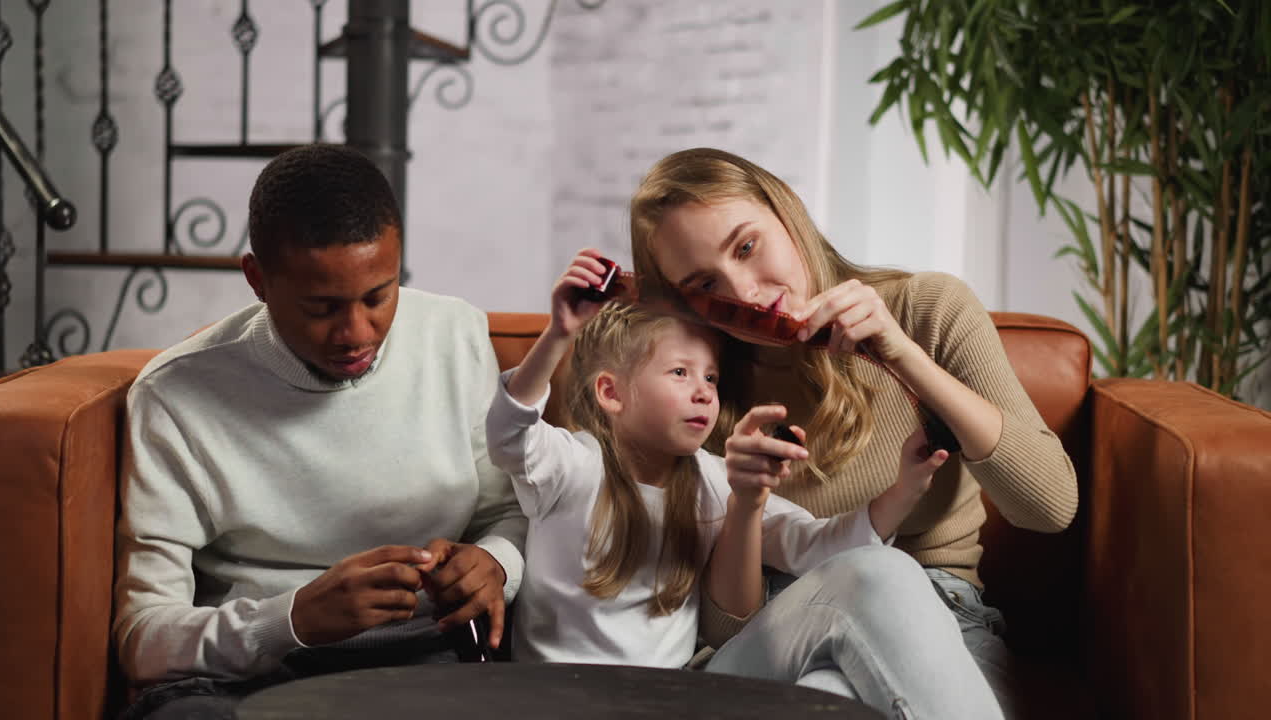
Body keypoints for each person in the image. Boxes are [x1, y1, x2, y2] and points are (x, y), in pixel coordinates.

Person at [627, 147, 1079, 718]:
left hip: (945, 625)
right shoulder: (696, 385)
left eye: (747, 247)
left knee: (834, 697)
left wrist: (904, 356)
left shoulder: (926, 310)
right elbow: (722, 630)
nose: (744, 294)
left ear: (788, 214)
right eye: (705, 285)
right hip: (776, 638)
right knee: (875, 569)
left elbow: (1050, 507)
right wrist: (743, 504)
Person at [485, 248, 1003, 719]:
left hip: (678, 700)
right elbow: (510, 430)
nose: (703, 393)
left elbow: (820, 548)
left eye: (710, 377)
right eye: (680, 372)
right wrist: (558, 333)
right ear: (611, 393)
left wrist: (906, 487)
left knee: (840, 667)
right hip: (556, 702)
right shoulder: (569, 466)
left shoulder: (716, 481)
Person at [113, 144, 527, 719]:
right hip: (248, 681)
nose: (356, 332)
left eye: (379, 296)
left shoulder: (453, 334)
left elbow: (510, 514)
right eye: (321, 307)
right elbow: (143, 637)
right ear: (257, 280)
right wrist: (293, 619)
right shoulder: (174, 396)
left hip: (430, 661)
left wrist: (498, 563)